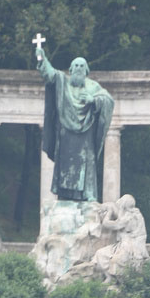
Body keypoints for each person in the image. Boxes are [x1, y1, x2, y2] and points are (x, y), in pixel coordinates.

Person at [36, 46, 114, 202]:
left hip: (85, 137)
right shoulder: (62, 82)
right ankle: (64, 195)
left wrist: (94, 100)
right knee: (65, 166)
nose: (78, 68)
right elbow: (50, 74)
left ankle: (87, 194)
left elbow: (108, 100)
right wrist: (41, 59)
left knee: (88, 162)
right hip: (66, 136)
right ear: (70, 70)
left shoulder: (93, 87)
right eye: (76, 65)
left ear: (86, 71)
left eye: (82, 66)